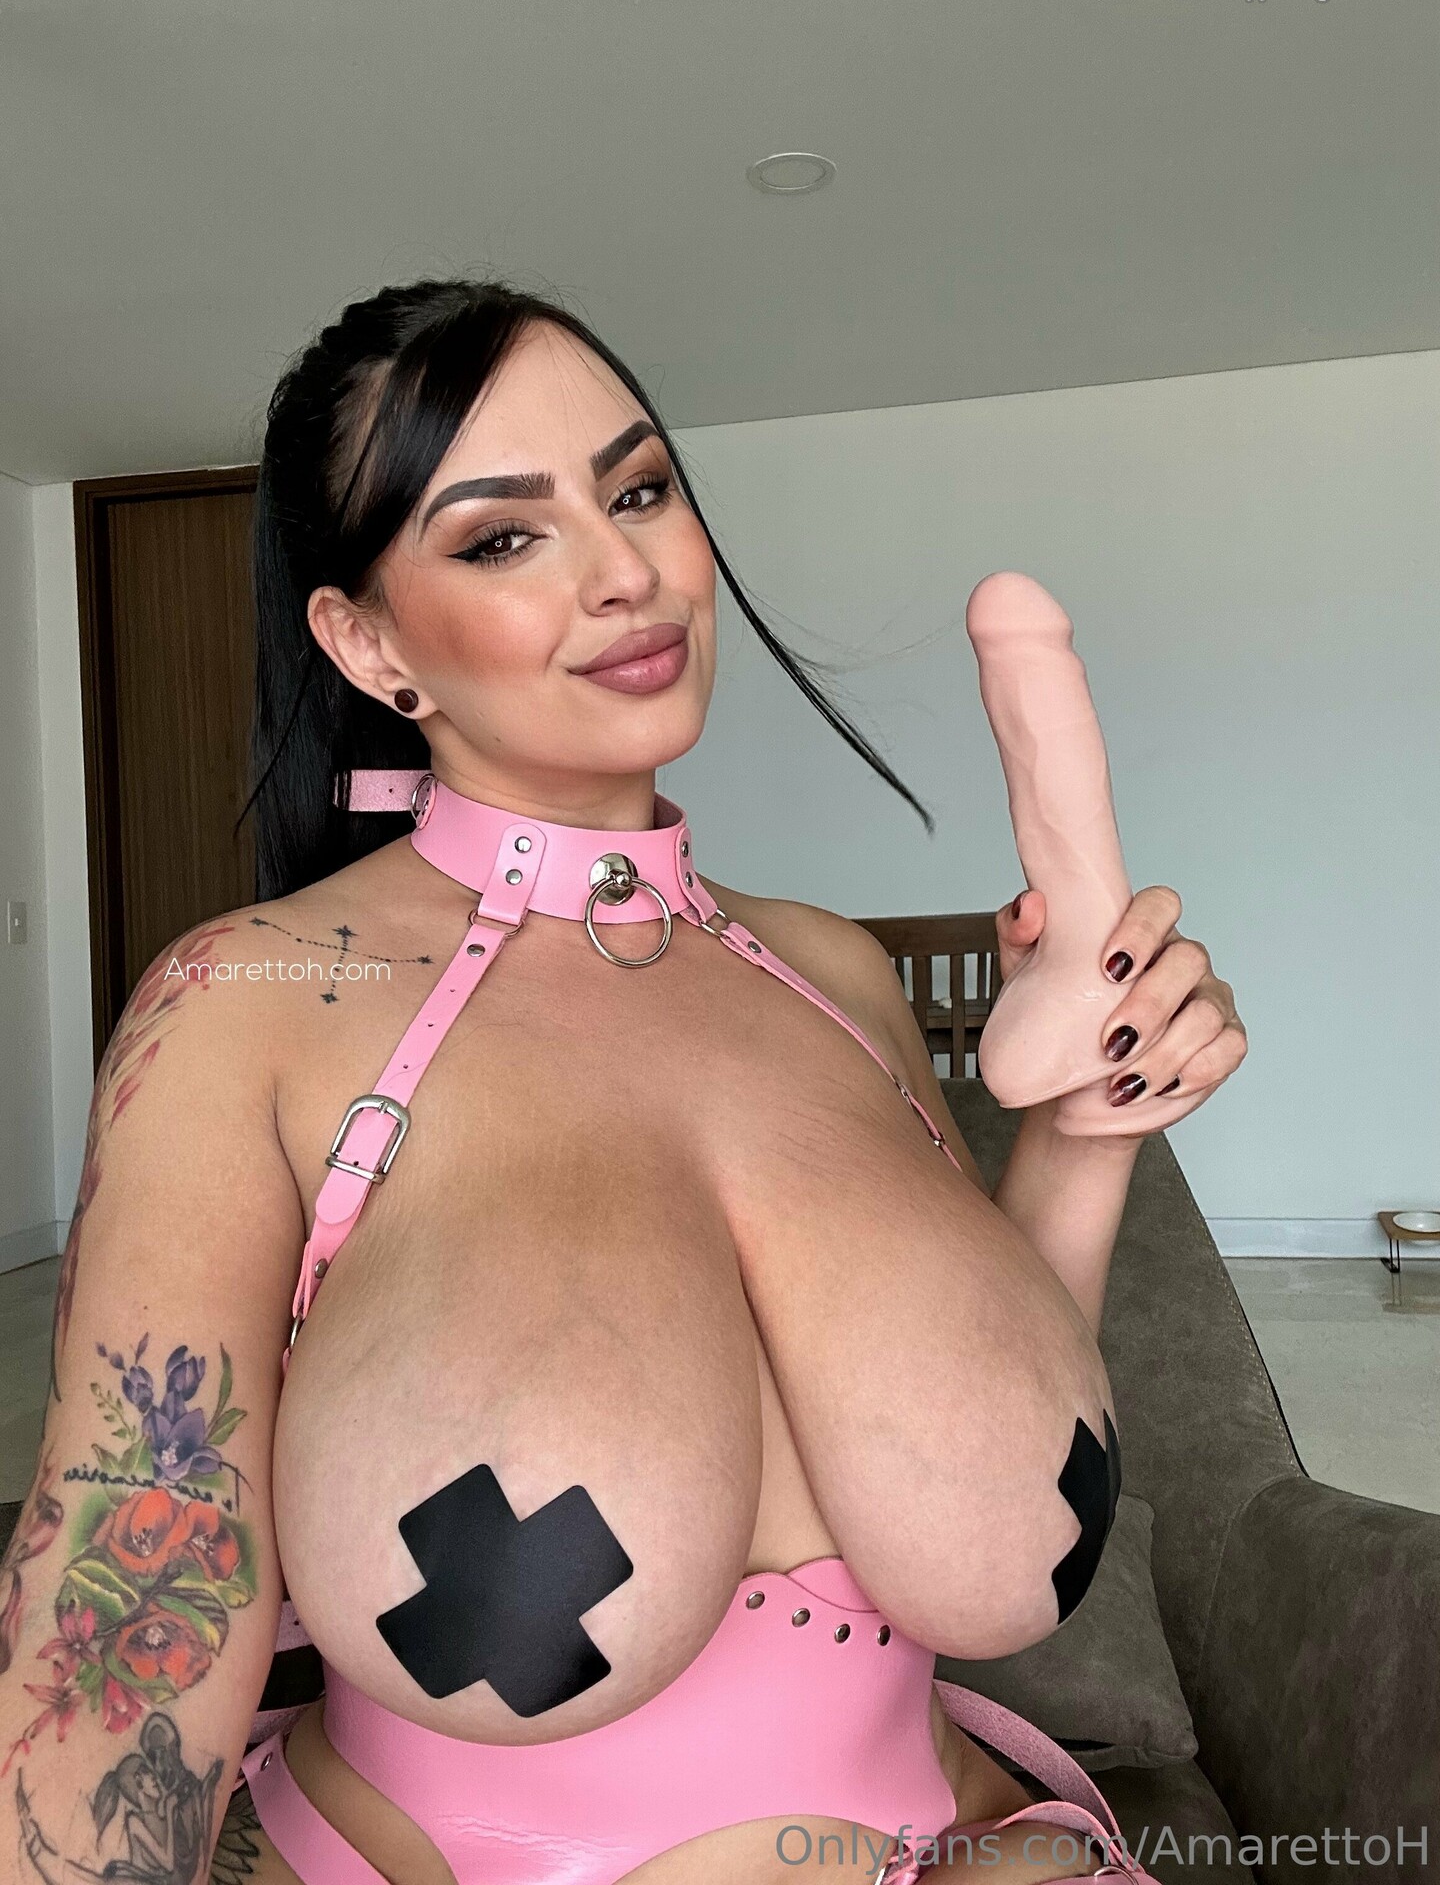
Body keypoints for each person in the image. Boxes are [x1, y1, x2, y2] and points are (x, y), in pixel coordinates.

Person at [1, 278, 1247, 1885]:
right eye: (504, 537)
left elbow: (973, 1445)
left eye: (640, 489)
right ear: (370, 644)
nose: (625, 571)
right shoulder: (244, 1011)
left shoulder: (834, 974)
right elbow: (119, 1641)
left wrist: (1085, 1130)